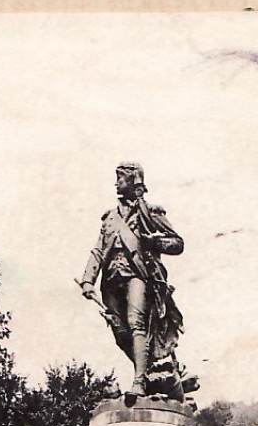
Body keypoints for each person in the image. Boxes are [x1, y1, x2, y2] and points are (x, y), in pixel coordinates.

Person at [79, 162, 185, 400]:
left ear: (133, 182)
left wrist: (154, 243)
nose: (116, 183)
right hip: (111, 280)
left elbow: (178, 243)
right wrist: (88, 280)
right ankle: (149, 372)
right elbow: (98, 250)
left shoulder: (151, 213)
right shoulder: (109, 218)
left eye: (121, 179)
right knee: (119, 331)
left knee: (137, 324)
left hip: (138, 275)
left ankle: (139, 382)